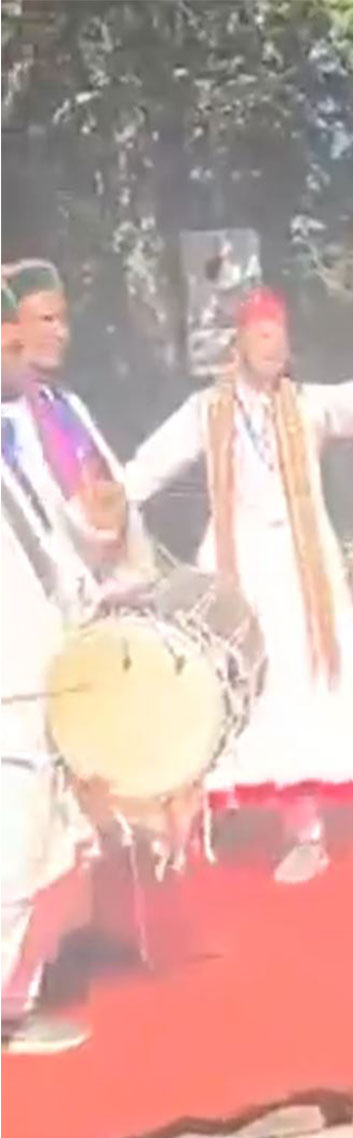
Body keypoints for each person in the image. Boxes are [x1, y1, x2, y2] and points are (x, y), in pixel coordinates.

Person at [121, 287, 353, 885]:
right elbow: (149, 465)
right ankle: (190, 825)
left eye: (282, 335)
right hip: (239, 565)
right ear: (240, 342)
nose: (277, 346)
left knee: (299, 688)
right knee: (225, 686)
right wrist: (104, 507)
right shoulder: (208, 410)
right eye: (265, 335)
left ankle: (307, 833)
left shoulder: (307, 406)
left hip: (302, 572)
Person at [2, 278, 97, 1054]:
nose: (22, 354)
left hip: (43, 667)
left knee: (50, 843)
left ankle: (16, 1000)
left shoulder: (22, 438)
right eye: (10, 340)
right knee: (13, 846)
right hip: (7, 682)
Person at [0, 259, 153, 621]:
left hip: (107, 595)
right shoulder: (13, 421)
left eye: (63, 320)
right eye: (45, 321)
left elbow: (113, 490)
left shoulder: (67, 405)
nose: (60, 333)